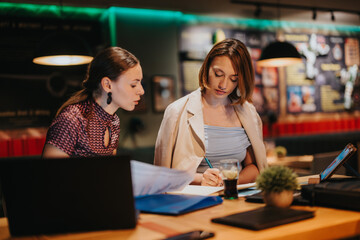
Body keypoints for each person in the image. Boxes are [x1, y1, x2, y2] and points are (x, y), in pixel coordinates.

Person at [154, 38, 267, 186]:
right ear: (206, 68)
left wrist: (229, 181)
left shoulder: (248, 112)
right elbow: (161, 175)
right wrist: (201, 179)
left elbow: (254, 167)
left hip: (234, 198)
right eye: (218, 74)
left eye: (233, 79)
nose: (223, 85)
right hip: (193, 201)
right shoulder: (177, 111)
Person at [42, 46, 144, 158]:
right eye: (133, 85)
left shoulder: (114, 122)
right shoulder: (72, 120)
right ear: (107, 85)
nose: (141, 91)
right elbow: (50, 173)